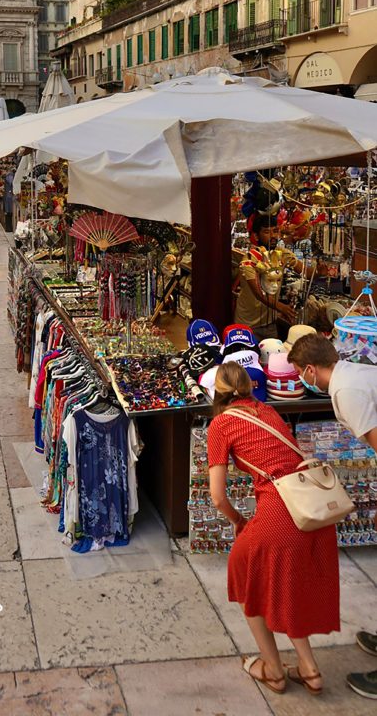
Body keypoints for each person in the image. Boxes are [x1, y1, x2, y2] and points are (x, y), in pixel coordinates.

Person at [208, 361, 339, 695]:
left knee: (244, 575)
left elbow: (217, 496)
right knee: (287, 584)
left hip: (281, 512)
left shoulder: (221, 424)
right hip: (309, 509)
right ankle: (309, 669)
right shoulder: (267, 411)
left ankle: (273, 669)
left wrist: (239, 521)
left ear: (216, 393)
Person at [288, 333, 377, 700]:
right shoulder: (353, 372)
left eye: (299, 374)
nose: (299, 380)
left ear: (311, 369)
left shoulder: (345, 393)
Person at [234, 215, 309, 340]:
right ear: (256, 236)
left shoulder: (282, 254)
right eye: (267, 232)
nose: (273, 236)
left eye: (275, 231)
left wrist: (320, 270)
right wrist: (281, 307)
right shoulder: (249, 259)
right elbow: (259, 292)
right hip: (247, 325)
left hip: (270, 325)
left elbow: (304, 271)